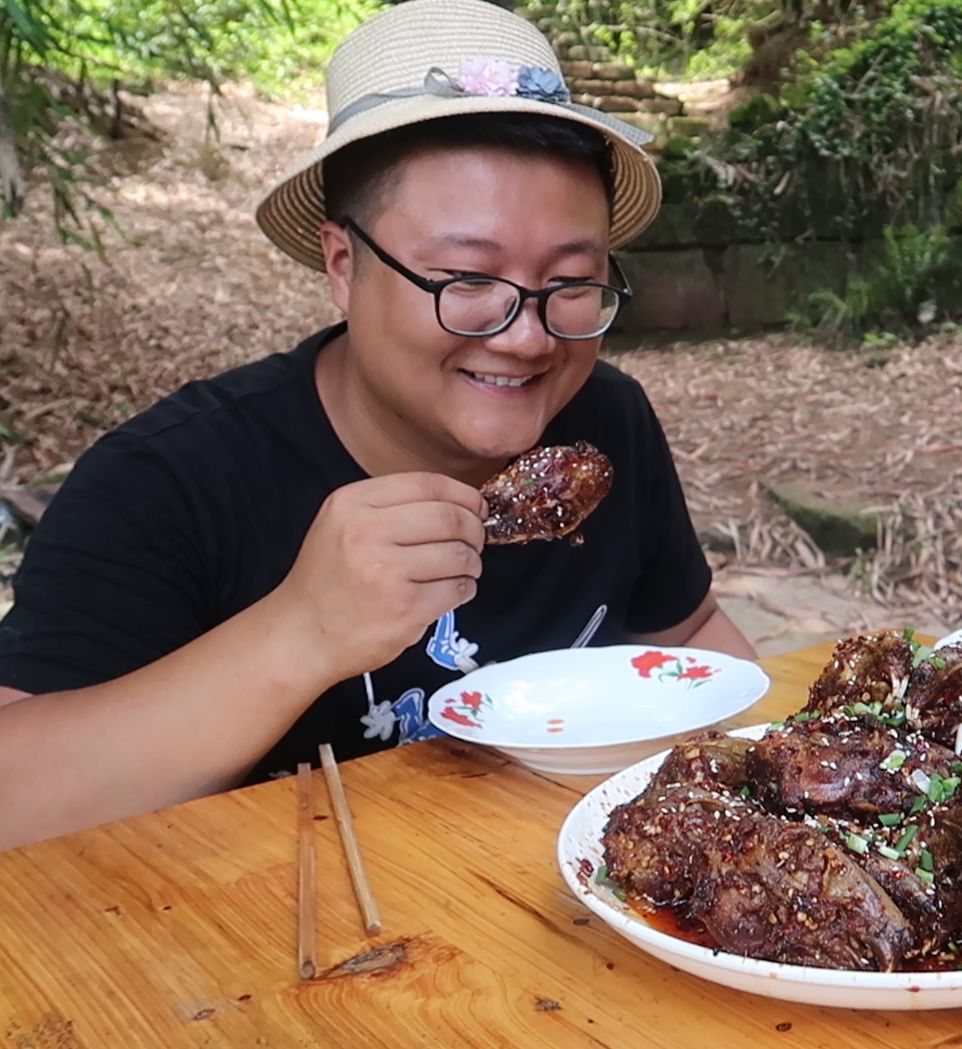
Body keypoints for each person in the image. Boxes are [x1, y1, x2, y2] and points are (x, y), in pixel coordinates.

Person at [0, 0, 753, 848]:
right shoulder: (167, 482)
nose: (527, 336)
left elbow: (688, 638)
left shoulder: (605, 419)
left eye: (570, 281)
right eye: (467, 278)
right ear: (342, 264)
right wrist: (301, 630)